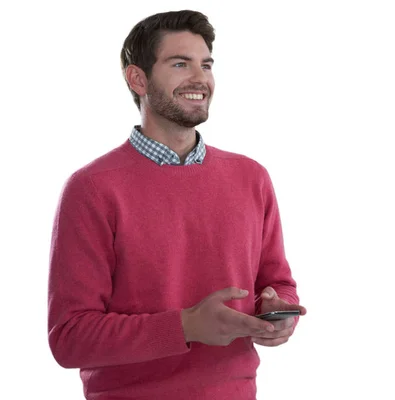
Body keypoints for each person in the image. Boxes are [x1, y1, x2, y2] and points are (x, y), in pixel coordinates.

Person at [47, 9, 306, 399]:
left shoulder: (251, 177)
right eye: (180, 64)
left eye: (206, 64)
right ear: (138, 78)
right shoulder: (92, 189)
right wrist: (186, 326)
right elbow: (70, 337)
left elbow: (279, 283)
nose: (200, 78)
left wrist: (278, 310)